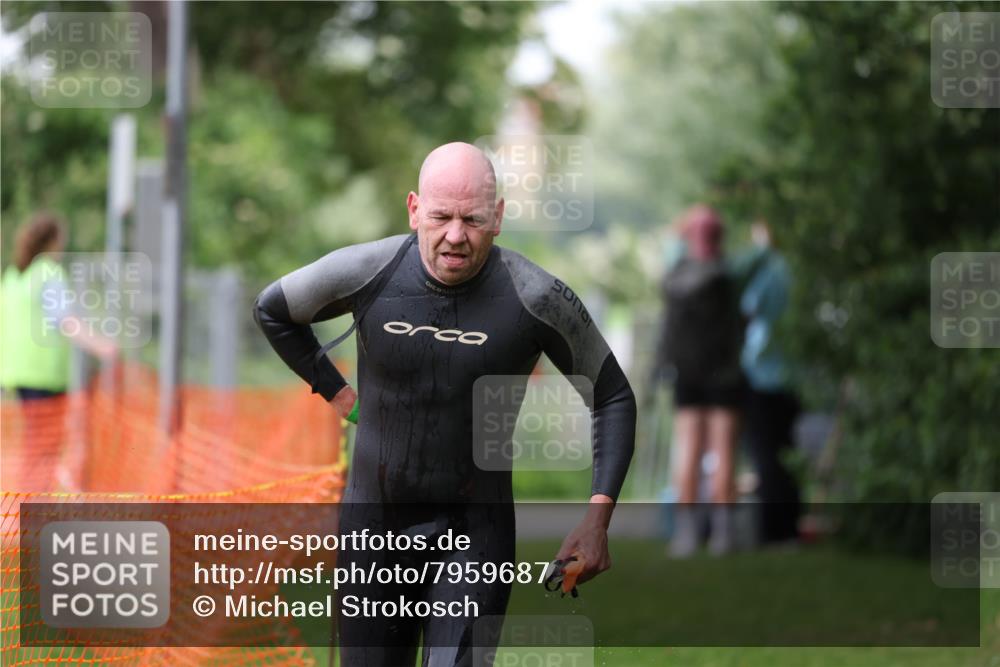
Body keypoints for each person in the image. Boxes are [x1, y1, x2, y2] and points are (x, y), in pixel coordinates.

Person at [253, 142, 636, 666]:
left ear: (498, 217)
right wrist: (340, 396)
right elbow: (273, 310)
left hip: (475, 538)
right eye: (441, 216)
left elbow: (612, 395)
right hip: (373, 533)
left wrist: (597, 519)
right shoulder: (369, 271)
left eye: (473, 219)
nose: (456, 235)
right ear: (414, 210)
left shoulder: (534, 297)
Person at [653, 205, 744, 557]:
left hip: (686, 374)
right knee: (724, 453)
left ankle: (686, 536)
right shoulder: (727, 276)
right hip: (725, 374)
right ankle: (723, 536)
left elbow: (667, 329)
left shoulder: (674, 277)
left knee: (687, 452)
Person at [0, 212, 115, 491]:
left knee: (34, 444)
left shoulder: (14, 276)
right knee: (43, 447)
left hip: (15, 373)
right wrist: (101, 345)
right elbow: (66, 320)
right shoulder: (49, 273)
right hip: (43, 376)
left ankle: (26, 507)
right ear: (52, 241)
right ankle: (31, 511)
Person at [739, 220, 801, 545]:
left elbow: (746, 312)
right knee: (787, 452)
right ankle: (789, 528)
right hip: (793, 376)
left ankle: (770, 531)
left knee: (765, 456)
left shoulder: (764, 273)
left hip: (761, 376)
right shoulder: (795, 272)